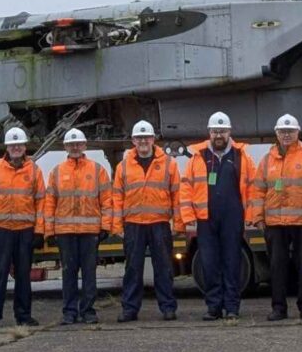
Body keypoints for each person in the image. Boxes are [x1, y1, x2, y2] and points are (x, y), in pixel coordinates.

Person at [253, 114, 302, 321]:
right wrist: (258, 217)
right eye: (282, 131)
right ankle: (279, 308)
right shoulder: (267, 159)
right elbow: (258, 191)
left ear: (298, 132)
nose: (286, 135)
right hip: (275, 224)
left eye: (290, 131)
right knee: (277, 267)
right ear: (276, 134)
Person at [180, 112, 257, 321]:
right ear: (209, 133)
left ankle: (232, 307)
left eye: (222, 131)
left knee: (232, 263)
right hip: (206, 219)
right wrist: (188, 216)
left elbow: (253, 188)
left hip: (233, 218)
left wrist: (251, 215)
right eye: (215, 131)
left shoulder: (242, 157)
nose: (218, 135)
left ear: (229, 132)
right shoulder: (198, 157)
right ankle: (213, 307)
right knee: (209, 263)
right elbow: (186, 187)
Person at [112, 120, 183, 322]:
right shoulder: (123, 166)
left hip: (159, 223)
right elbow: (117, 198)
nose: (143, 141)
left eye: (147, 137)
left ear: (153, 139)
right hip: (133, 225)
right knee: (132, 269)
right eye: (139, 137)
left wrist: (178, 223)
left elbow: (177, 195)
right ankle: (130, 310)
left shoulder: (169, 163)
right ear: (133, 140)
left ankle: (168, 307)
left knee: (164, 268)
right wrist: (117, 226)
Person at [0, 127, 46, 328]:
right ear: (7, 148)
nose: (16, 148)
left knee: (23, 275)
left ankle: (23, 316)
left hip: (25, 230)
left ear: (25, 147)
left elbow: (41, 202)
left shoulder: (34, 170)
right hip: (1, 231)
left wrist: (39, 231)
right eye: (12, 145)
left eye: (19, 144)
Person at [44, 129, 112, 325]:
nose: (75, 147)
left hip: (90, 232)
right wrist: (49, 230)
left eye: (79, 143)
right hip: (65, 233)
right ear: (65, 147)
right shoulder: (56, 172)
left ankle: (88, 311)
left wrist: (105, 226)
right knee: (68, 273)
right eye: (71, 144)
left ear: (84, 146)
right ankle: (69, 312)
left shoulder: (97, 170)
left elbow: (107, 201)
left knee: (89, 274)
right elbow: (50, 203)